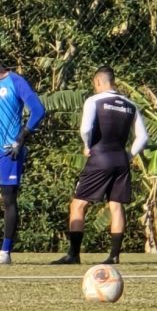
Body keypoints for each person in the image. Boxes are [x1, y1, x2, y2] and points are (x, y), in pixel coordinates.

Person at [53, 66, 148, 265]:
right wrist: (129, 156)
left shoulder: (94, 101)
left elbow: (86, 128)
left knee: (78, 204)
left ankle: (73, 254)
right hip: (120, 159)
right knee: (116, 205)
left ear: (98, 82)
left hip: (100, 157)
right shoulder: (130, 105)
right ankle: (114, 255)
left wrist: (87, 146)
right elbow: (143, 137)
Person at [0, 48, 46, 265]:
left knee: (8, 199)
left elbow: (38, 110)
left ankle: (5, 252)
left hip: (9, 152)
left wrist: (21, 137)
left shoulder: (16, 82)